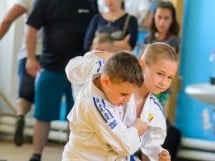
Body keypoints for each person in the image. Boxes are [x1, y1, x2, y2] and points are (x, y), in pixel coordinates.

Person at [65, 42, 177, 161]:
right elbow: (72, 70)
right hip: (86, 155)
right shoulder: (107, 72)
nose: (163, 82)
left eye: (170, 77)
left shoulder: (154, 108)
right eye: (160, 74)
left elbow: (150, 144)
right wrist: (100, 55)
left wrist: (158, 153)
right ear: (142, 64)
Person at [24, 0, 98, 160]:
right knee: (42, 114)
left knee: (77, 119)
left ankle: (72, 157)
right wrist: (30, 57)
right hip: (51, 67)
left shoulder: (91, 2)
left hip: (81, 72)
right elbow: (31, 27)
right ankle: (36, 155)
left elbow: (97, 29)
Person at [62, 51, 147, 161]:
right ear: (106, 81)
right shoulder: (96, 106)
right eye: (124, 94)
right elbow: (126, 146)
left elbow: (71, 69)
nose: (128, 99)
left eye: (131, 94)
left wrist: (100, 54)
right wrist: (137, 129)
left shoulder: (101, 68)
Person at [143, 2, 181, 160]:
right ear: (154, 19)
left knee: (153, 130)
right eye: (159, 17)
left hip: (161, 92)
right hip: (145, 88)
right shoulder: (148, 38)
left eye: (166, 18)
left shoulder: (173, 41)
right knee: (142, 129)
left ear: (172, 20)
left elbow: (161, 60)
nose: (162, 22)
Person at [0, 0, 42, 146]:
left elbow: (6, 20)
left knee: (25, 95)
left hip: (29, 54)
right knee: (47, 100)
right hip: (56, 55)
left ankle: (20, 115)